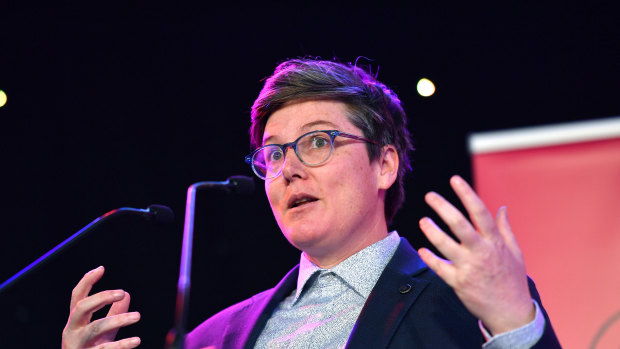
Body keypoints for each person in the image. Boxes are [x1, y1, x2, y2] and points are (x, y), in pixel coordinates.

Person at [62, 58, 561, 348]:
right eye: (274, 153)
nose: (290, 168)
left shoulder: (466, 301)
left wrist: (516, 326)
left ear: (384, 165)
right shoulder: (213, 336)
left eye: (318, 141)